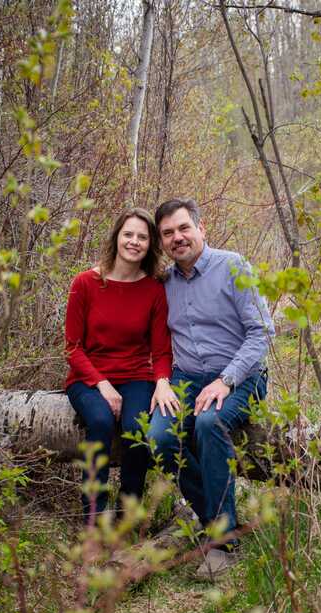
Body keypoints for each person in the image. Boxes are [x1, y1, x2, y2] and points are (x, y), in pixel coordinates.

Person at [148, 198, 274, 579]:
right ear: (162, 241)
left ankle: (222, 544)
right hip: (186, 378)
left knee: (208, 423)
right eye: (168, 233)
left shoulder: (234, 266)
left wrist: (226, 379)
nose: (177, 237)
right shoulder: (165, 283)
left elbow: (262, 332)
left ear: (201, 229)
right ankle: (216, 518)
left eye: (184, 228)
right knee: (160, 436)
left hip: (242, 375)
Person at [65, 207, 178, 523]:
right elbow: (72, 348)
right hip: (87, 378)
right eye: (128, 234)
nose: (134, 242)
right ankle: (94, 515)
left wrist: (162, 381)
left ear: (150, 244)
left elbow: (161, 351)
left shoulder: (154, 290)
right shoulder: (85, 283)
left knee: (136, 430)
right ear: (116, 237)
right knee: (100, 421)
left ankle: (127, 514)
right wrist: (102, 384)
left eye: (142, 237)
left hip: (136, 376)